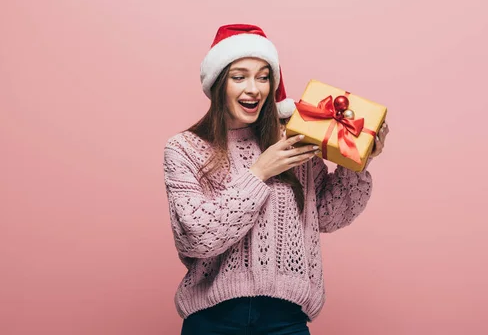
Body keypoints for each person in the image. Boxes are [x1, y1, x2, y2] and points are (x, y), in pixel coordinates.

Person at [162, 24, 389, 335]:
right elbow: (197, 236)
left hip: (286, 321)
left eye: (264, 76)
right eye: (239, 76)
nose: (254, 88)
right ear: (218, 83)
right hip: (212, 321)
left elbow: (329, 216)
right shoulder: (184, 149)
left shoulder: (291, 141)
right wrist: (259, 173)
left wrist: (359, 159)